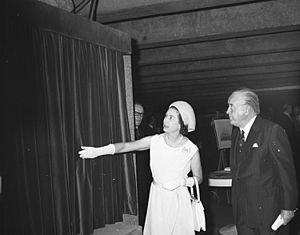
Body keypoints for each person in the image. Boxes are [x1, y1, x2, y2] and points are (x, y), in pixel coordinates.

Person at [79, 101, 203, 235]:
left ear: (181, 124)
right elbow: (126, 146)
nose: (165, 120)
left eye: (171, 117)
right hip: (158, 198)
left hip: (180, 199)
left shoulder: (191, 149)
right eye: (166, 116)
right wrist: (98, 151)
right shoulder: (155, 141)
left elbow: (199, 177)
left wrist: (184, 182)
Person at [226, 88, 298, 235]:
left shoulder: (272, 131)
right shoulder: (236, 134)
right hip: (243, 214)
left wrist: (289, 207)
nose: (227, 111)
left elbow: (287, 173)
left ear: (246, 109)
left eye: (231, 106)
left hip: (267, 214)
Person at [134, 102, 158, 227]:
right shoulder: (125, 131)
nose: (139, 117)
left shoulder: (147, 131)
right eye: (136, 113)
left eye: (141, 114)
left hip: (145, 172)